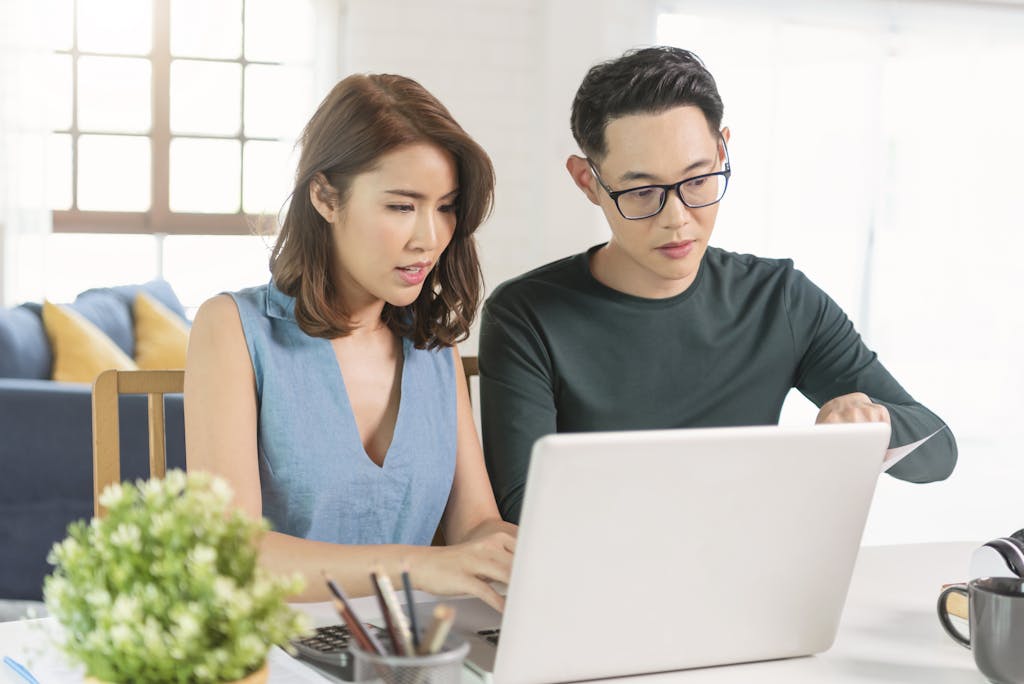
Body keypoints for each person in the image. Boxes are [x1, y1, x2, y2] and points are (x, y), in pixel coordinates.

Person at [479, 46, 957, 524]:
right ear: (588, 181)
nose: (677, 218)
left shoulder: (779, 300)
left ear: (722, 151)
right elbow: (522, 509)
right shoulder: (528, 315)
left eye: (697, 180)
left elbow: (939, 452)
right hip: (602, 564)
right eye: (642, 191)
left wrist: (875, 422)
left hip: (751, 560)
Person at [185, 73, 516, 611]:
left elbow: (474, 524)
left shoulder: (433, 346)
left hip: (409, 641)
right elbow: (232, 554)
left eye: (446, 207)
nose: (430, 238)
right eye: (402, 206)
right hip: (273, 641)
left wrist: (527, 550)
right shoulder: (231, 327)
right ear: (325, 197)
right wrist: (420, 567)